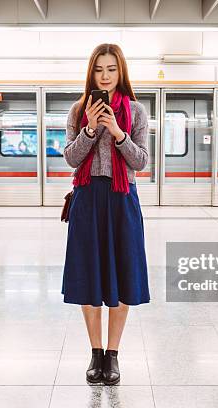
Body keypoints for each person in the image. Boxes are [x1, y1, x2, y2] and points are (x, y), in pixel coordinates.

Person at [62, 43, 150, 386]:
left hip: (121, 199)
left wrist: (116, 132)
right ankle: (95, 352)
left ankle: (113, 355)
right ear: (91, 73)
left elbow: (141, 161)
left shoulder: (137, 112)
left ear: (121, 72)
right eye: (99, 70)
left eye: (111, 69)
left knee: (123, 273)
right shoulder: (77, 110)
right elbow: (71, 158)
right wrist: (89, 128)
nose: (106, 76)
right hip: (87, 198)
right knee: (89, 274)